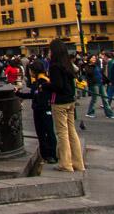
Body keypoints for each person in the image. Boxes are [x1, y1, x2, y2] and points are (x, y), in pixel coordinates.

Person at [44, 40, 84, 172]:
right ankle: (78, 163)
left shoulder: (55, 66)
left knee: (62, 133)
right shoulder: (68, 64)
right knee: (72, 131)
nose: (49, 53)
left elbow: (58, 86)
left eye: (50, 50)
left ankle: (65, 164)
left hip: (60, 103)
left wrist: (45, 85)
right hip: (70, 101)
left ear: (54, 51)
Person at [18, 60, 57, 163]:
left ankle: (50, 155)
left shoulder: (43, 81)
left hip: (44, 109)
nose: (29, 72)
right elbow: (32, 94)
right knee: (43, 132)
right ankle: (47, 155)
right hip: (39, 109)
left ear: (34, 70)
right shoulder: (38, 82)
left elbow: (37, 95)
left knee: (47, 132)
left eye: (30, 70)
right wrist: (18, 94)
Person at [83, 54, 114, 119]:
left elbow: (102, 74)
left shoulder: (96, 66)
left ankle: (109, 114)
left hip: (101, 83)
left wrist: (108, 81)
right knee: (94, 99)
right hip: (94, 84)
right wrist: (90, 65)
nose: (94, 59)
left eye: (95, 58)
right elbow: (89, 73)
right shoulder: (87, 66)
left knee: (105, 98)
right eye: (92, 58)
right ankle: (90, 112)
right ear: (89, 59)